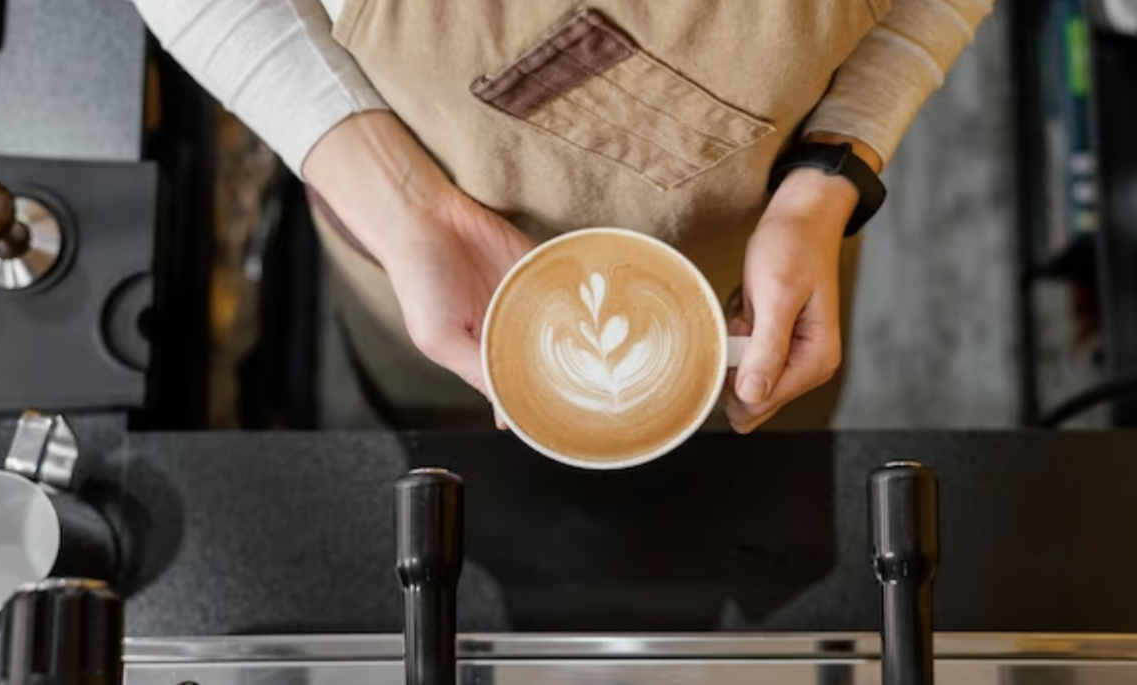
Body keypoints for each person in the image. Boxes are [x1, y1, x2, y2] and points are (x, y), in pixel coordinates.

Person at [131, 0, 995, 431]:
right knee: (457, 448)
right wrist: (400, 205)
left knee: (752, 474)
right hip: (427, 271)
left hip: (763, 263)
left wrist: (832, 168)